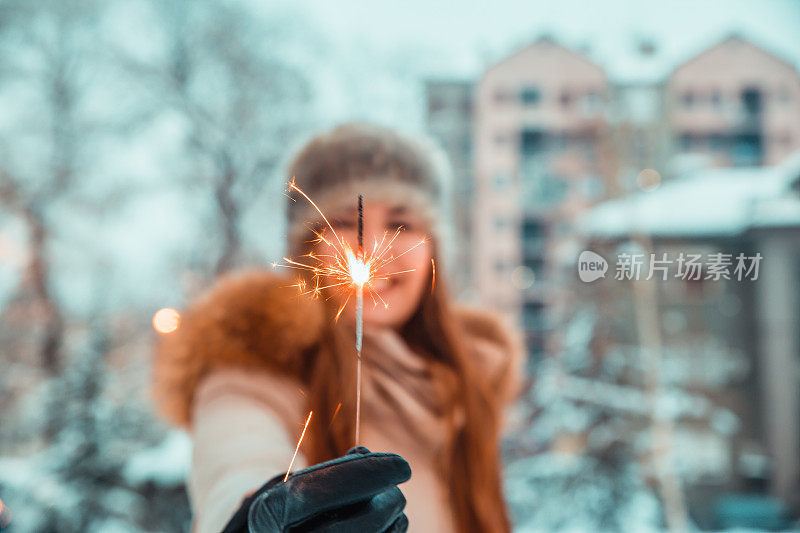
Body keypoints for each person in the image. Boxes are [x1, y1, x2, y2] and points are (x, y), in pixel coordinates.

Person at [153, 123, 525, 532]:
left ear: (434, 246)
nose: (369, 248)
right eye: (345, 222)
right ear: (304, 247)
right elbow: (237, 458)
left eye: (403, 224)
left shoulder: (466, 382)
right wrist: (257, 518)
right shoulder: (252, 371)